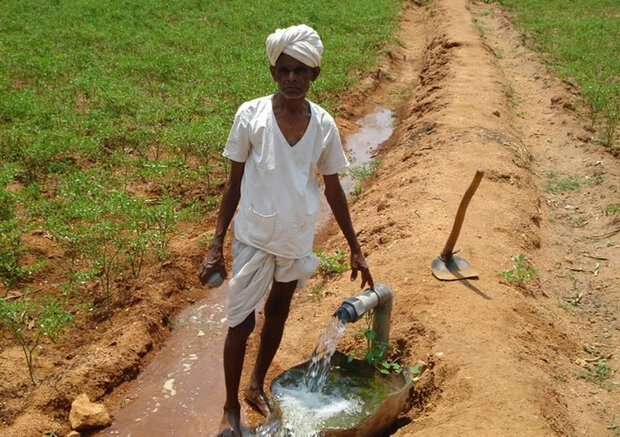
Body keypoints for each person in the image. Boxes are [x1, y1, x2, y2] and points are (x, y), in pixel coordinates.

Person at [197, 24, 373, 437]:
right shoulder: (251, 115)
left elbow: (333, 188)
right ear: (274, 73)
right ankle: (229, 408)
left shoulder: (324, 125)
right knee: (240, 323)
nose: (292, 78)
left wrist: (355, 247)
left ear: (315, 75)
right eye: (285, 70)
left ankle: (256, 384)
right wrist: (215, 243)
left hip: (295, 237)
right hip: (254, 236)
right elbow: (233, 183)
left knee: (277, 313)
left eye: (301, 70)